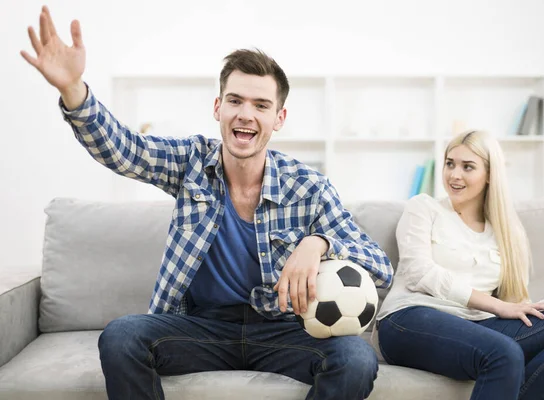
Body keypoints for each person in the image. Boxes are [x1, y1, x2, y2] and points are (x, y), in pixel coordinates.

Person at [22, 6, 394, 400]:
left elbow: (380, 266)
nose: (245, 114)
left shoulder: (309, 187)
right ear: (218, 108)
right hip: (203, 328)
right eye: (235, 100)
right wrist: (73, 90)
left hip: (283, 332)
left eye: (261, 105)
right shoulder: (190, 163)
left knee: (355, 357)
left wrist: (318, 243)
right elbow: (124, 150)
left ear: (279, 118)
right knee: (122, 336)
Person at [374, 129, 544, 400]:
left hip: (478, 326)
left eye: (467, 167)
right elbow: (418, 273)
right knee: (504, 353)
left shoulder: (506, 232)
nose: (454, 175)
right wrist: (499, 307)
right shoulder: (423, 208)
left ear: (490, 174)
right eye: (450, 164)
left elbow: (522, 308)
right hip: (408, 318)